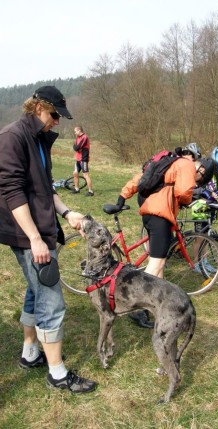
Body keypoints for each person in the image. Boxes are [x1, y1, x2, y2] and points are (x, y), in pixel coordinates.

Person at [0, 86, 96, 393]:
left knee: (35, 291)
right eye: (54, 115)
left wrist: (68, 213)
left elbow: (46, 188)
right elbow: (13, 193)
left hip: (42, 229)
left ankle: (31, 354)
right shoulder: (13, 137)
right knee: (51, 301)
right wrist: (34, 239)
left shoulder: (40, 138)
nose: (57, 121)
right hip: (28, 233)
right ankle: (57, 374)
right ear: (37, 107)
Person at [115, 153, 215, 327]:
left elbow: (140, 178)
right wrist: (187, 199)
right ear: (201, 169)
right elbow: (184, 191)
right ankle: (136, 308)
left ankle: (156, 304)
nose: (196, 181)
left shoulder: (169, 163)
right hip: (161, 216)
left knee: (158, 266)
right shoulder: (186, 164)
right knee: (157, 264)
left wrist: (123, 195)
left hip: (149, 213)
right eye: (199, 179)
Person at [72, 126, 94, 196]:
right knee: (75, 174)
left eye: (75, 131)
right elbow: (74, 147)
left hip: (83, 159)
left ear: (79, 130)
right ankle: (76, 189)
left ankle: (90, 191)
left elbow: (77, 147)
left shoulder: (84, 137)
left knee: (86, 175)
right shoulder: (77, 138)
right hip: (77, 159)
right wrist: (76, 147)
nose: (74, 133)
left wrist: (76, 147)